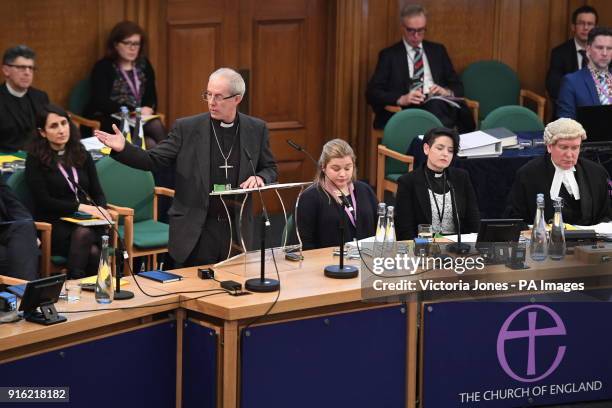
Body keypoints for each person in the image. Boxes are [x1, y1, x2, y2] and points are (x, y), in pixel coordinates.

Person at [95, 68, 277, 267]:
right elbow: (152, 160)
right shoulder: (188, 128)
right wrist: (124, 148)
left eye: (219, 96)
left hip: (235, 227)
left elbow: (269, 168)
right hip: (196, 226)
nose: (211, 102)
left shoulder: (256, 129)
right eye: (208, 94)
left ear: (237, 98)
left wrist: (261, 178)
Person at [26, 104, 111, 279]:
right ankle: (78, 285)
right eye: (54, 126)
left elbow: (98, 192)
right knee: (92, 249)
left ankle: (75, 287)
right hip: (55, 223)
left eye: (64, 123)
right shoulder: (35, 159)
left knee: (90, 242)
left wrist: (101, 209)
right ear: (42, 132)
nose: (61, 130)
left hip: (87, 222)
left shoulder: (81, 153)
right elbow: (44, 201)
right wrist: (81, 207)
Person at [366, 4, 474, 132]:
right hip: (407, 110)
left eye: (421, 30)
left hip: (439, 104)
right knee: (437, 109)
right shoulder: (389, 55)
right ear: (403, 28)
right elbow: (372, 92)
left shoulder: (438, 51)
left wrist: (446, 92)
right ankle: (444, 142)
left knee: (438, 105)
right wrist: (401, 99)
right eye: (411, 30)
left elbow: (458, 86)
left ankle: (438, 143)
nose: (416, 36)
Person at [507, 118, 611, 225]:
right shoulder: (528, 175)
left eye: (575, 148)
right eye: (564, 147)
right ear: (549, 146)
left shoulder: (596, 173)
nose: (569, 154)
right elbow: (515, 219)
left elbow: (607, 215)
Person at [86, 21, 166, 148]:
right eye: (128, 43)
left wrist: (149, 107)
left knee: (151, 140)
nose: (133, 48)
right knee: (153, 133)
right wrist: (132, 111)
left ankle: (169, 163)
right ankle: (173, 164)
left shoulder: (144, 65)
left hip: (140, 120)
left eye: (136, 44)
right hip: (113, 120)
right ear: (116, 45)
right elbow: (100, 101)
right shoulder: (103, 67)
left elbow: (151, 95)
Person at [395, 127, 480, 240]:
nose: (445, 154)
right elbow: (404, 229)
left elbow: (473, 219)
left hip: (458, 247)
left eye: (450, 150)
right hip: (423, 247)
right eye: (440, 148)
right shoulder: (408, 182)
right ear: (426, 148)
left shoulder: (461, 177)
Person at [296, 139, 378, 250]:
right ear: (323, 167)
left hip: (366, 260)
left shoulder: (365, 190)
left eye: (348, 168)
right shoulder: (310, 198)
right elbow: (306, 243)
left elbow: (380, 227)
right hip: (327, 263)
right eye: (336, 169)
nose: (343, 174)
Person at [546, 5, 599, 116]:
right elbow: (553, 87)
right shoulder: (559, 53)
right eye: (581, 23)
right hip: (568, 112)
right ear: (573, 27)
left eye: (590, 24)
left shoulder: (605, 53)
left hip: (598, 112)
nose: (585, 28)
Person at [0, 45, 49, 152]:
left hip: (38, 157)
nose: (27, 73)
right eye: (21, 67)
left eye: (30, 68)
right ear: (6, 70)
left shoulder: (41, 97)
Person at [556, 26, 612, 119]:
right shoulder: (571, 82)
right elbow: (565, 122)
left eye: (609, 48)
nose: (605, 53)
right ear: (588, 49)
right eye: (599, 48)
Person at [0, 178, 39, 280]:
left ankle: (22, 292)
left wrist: (31, 233)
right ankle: (25, 292)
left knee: (25, 227)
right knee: (13, 255)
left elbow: (13, 204)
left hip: (3, 227)